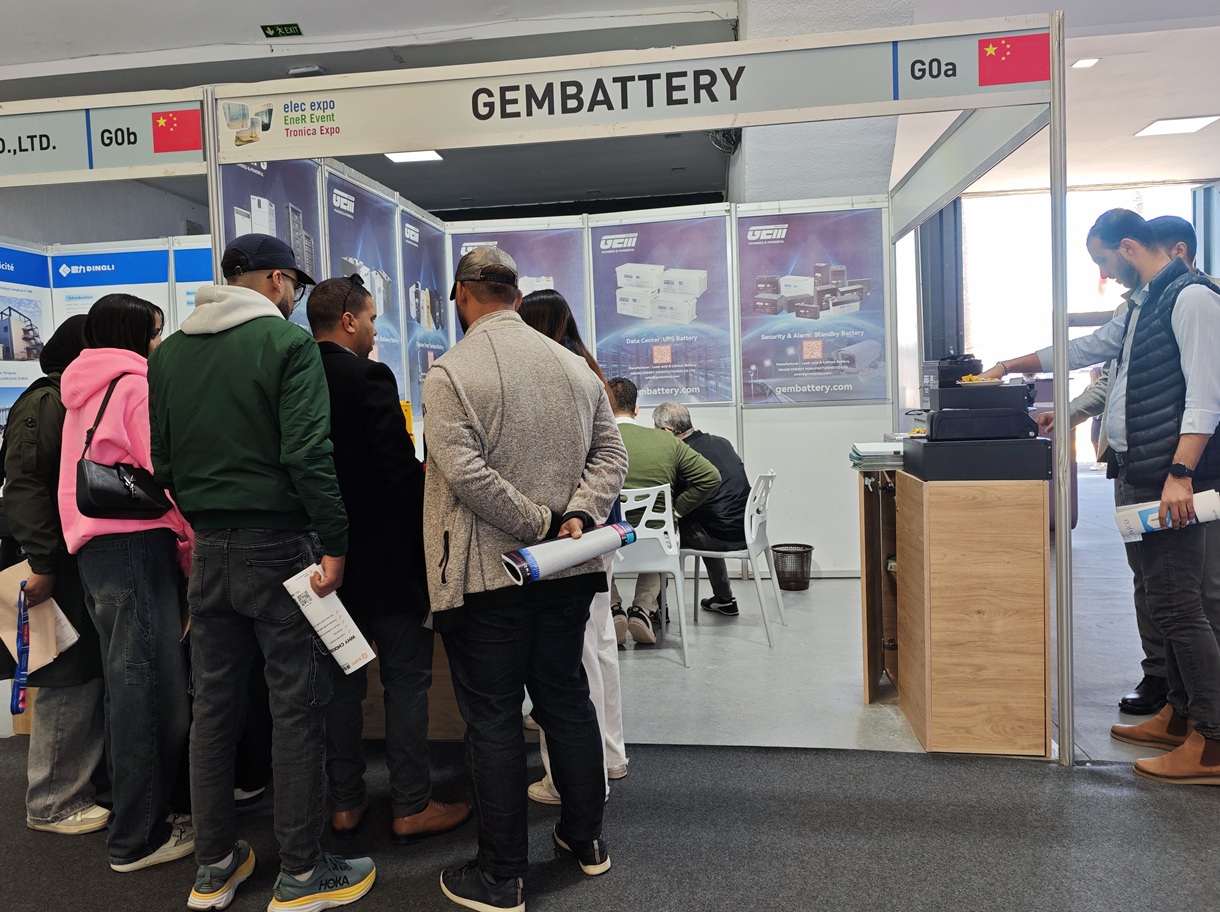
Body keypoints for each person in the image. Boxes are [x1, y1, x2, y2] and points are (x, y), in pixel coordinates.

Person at [148, 234, 375, 911]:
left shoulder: (170, 353)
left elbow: (163, 462)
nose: (295, 296)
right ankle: (302, 874)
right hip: (279, 546)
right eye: (294, 285)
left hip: (209, 549)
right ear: (278, 279)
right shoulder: (286, 344)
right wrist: (335, 540)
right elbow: (307, 453)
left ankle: (213, 867)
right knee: (296, 709)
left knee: (213, 711)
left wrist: (209, 513)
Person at [423, 247, 627, 912]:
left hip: (489, 575)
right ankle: (586, 840)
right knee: (566, 700)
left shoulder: (451, 372)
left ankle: (501, 875)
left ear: (463, 295)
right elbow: (611, 453)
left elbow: (464, 471)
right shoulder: (574, 366)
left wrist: (535, 521)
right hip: (568, 566)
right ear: (514, 294)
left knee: (492, 719)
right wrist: (575, 517)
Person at [991, 215, 1220, 717]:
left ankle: (1208, 734)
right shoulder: (1142, 305)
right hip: (1138, 471)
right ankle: (1176, 712)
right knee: (1158, 595)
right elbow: (1083, 350)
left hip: (1172, 478)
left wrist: (1180, 475)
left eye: (1104, 260)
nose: (1104, 272)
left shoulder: (1193, 299)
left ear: (1130, 247)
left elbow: (1205, 400)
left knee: (1185, 603)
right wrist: (1006, 366)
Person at [307, 275, 472, 844]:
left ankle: (345, 803)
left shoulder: (293, 376)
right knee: (405, 682)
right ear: (349, 319)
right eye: (373, 319)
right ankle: (411, 804)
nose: (377, 331)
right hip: (387, 558)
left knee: (340, 685)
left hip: (323, 562)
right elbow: (398, 470)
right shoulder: (368, 376)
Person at [56, 294, 194, 871]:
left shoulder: (79, 389)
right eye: (155, 333)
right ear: (134, 335)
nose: (159, 343)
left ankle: (132, 816)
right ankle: (138, 837)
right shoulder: (135, 386)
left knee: (126, 687)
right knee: (150, 692)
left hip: (94, 550)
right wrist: (190, 538)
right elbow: (168, 472)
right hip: (137, 546)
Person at [518, 289, 629, 805]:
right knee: (599, 646)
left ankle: (571, 780)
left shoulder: (548, 376)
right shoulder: (589, 370)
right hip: (602, 530)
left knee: (566, 664)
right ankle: (610, 757)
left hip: (568, 537)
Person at [0, 316, 107, 836]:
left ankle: (76, 785)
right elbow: (23, 488)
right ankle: (51, 801)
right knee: (67, 675)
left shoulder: (72, 398)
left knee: (83, 672)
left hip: (70, 558)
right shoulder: (45, 402)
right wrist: (42, 562)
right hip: (52, 563)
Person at [604, 377, 720, 645]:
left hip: (610, 543)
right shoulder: (667, 441)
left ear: (605, 407)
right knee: (662, 533)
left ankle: (613, 609)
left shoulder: (593, 440)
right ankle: (642, 610)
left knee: (592, 535)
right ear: (636, 409)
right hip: (655, 544)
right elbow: (710, 477)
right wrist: (676, 511)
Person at [652, 401, 751, 617]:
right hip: (745, 531)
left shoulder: (681, 454)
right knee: (707, 517)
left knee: (660, 534)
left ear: (667, 431)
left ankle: (656, 608)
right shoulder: (721, 442)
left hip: (715, 536)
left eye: (656, 429)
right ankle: (724, 598)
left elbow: (670, 500)